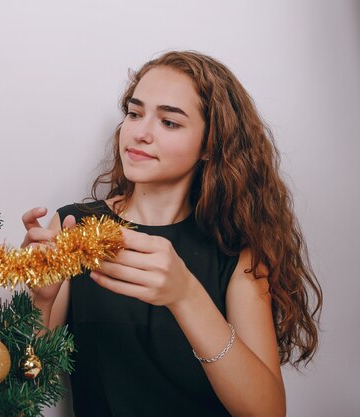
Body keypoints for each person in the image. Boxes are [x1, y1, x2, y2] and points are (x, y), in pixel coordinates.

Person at [21, 51, 322, 417]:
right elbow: (29, 385)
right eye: (134, 113)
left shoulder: (235, 252)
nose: (140, 133)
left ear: (210, 145)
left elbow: (267, 411)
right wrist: (39, 300)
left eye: (169, 122)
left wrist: (185, 296)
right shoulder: (73, 228)